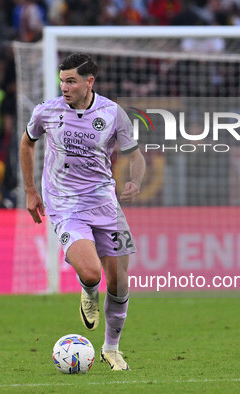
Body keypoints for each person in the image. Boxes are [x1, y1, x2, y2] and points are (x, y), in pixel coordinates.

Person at [19, 53, 145, 370]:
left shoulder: (113, 113)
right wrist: (31, 190)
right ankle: (88, 291)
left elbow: (135, 155)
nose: (65, 87)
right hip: (65, 203)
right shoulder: (46, 112)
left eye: (71, 81)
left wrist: (135, 181)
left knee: (118, 281)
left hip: (105, 203)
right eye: (62, 80)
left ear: (90, 82)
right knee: (92, 273)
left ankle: (111, 349)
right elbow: (27, 143)